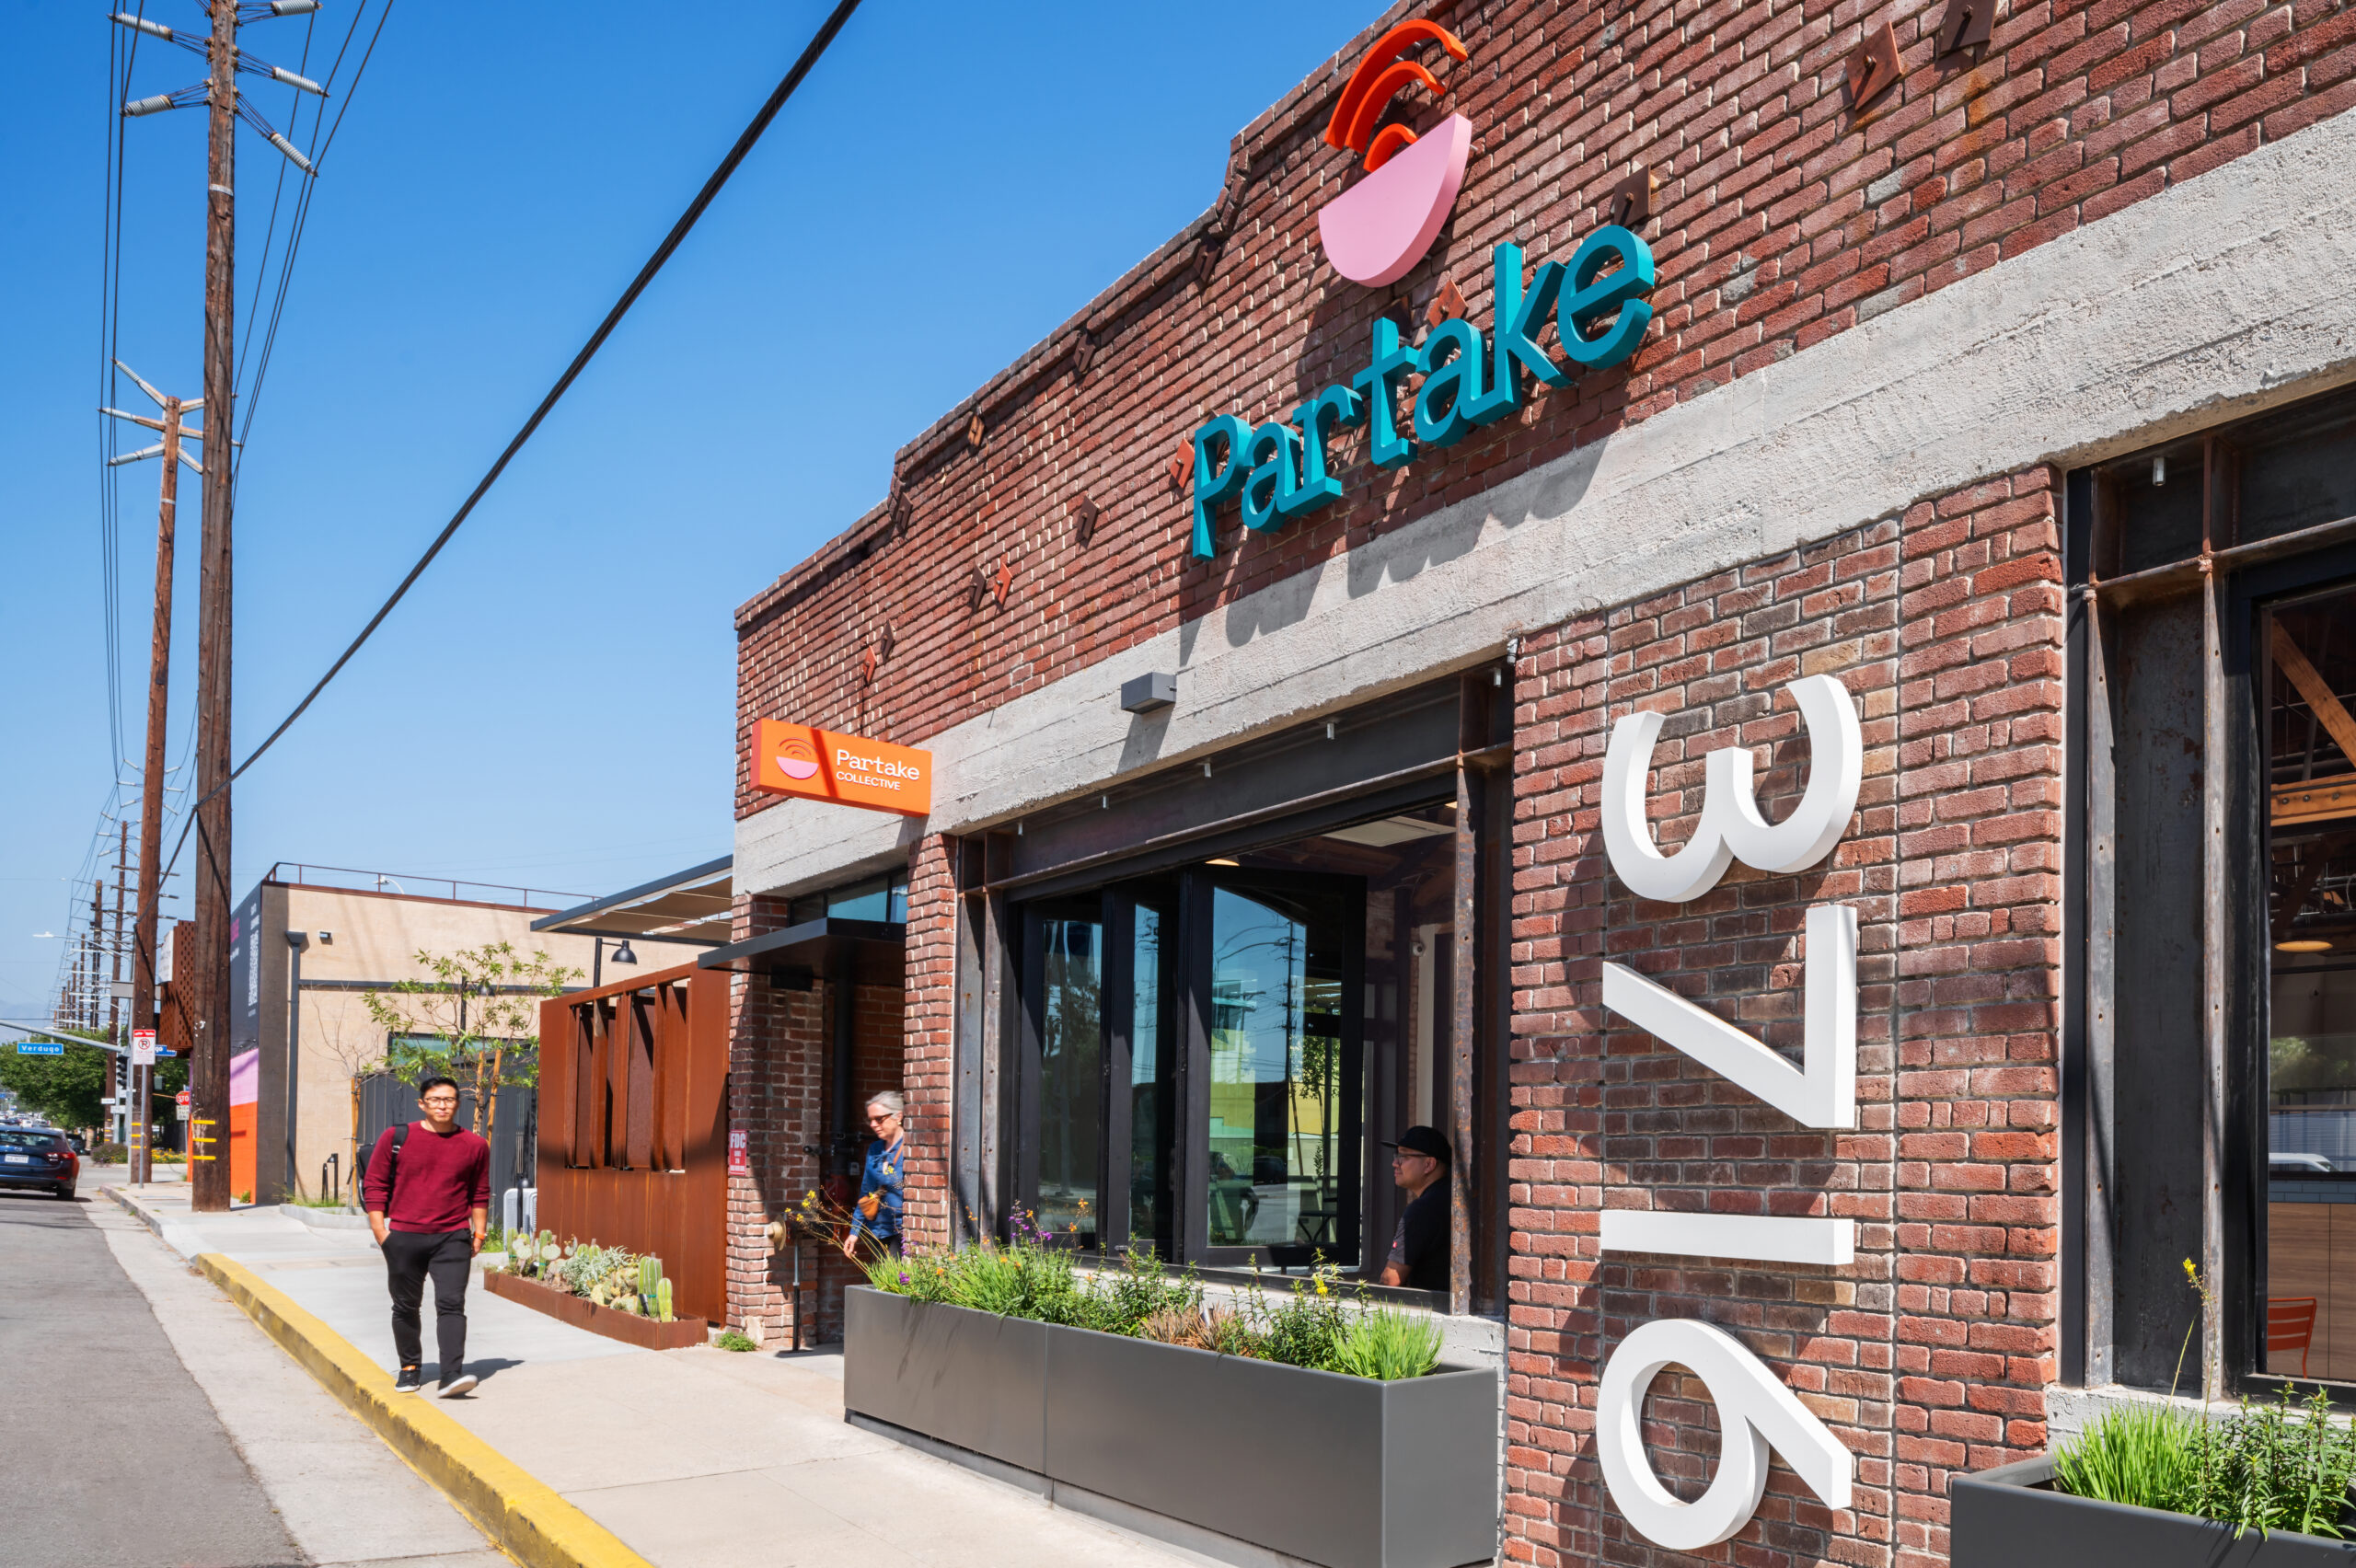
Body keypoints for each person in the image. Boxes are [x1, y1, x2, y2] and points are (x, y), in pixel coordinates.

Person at [364, 1076, 491, 1397]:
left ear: (458, 1104)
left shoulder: (474, 1145)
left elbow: (480, 1191)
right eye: (435, 1099)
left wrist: (479, 1233)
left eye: (448, 1099)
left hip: (452, 1237)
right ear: (422, 1104)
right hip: (404, 1237)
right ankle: (410, 1368)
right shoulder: (397, 1137)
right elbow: (375, 1185)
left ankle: (451, 1374)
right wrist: (381, 1231)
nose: (442, 1105)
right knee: (405, 1306)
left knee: (451, 1304)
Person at [1378, 1125, 1451, 1291]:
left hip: (1427, 1312)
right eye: (1396, 1155)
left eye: (1403, 1156)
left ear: (1429, 1164)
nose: (1395, 1163)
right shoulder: (1454, 1199)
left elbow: (1391, 1281)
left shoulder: (1423, 1209)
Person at [843, 1090, 906, 1258]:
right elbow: (867, 1192)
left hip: (902, 1234)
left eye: (879, 1119)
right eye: (870, 1120)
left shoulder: (912, 1148)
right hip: (878, 1231)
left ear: (898, 1116)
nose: (873, 1125)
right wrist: (854, 1232)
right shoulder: (875, 1149)